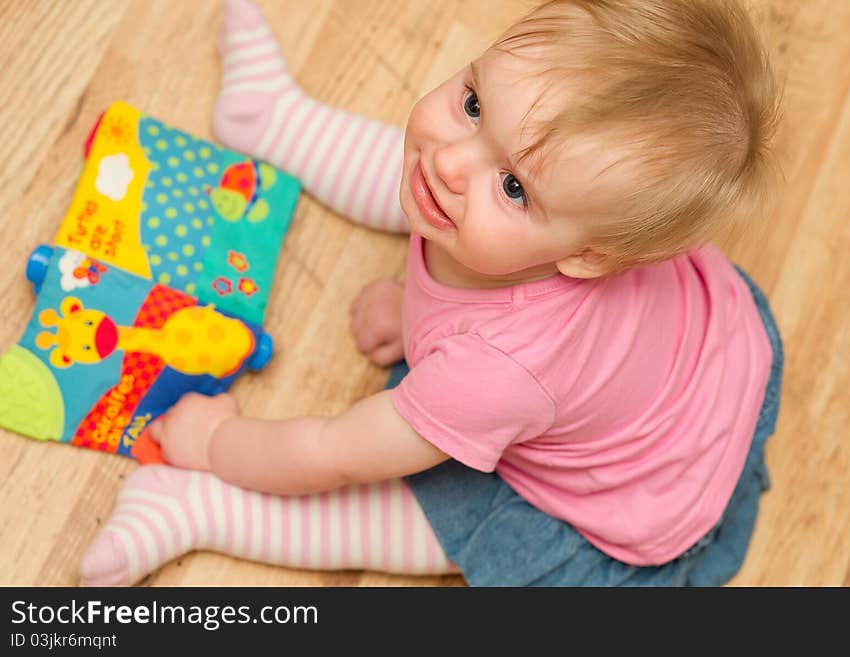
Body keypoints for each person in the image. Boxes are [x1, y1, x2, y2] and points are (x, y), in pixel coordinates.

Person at [80, 0, 784, 586]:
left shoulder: (494, 374)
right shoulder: (521, 209)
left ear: (589, 256)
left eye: (514, 187)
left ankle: (199, 511)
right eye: (474, 101)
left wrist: (219, 442)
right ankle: (273, 119)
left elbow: (334, 451)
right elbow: (469, 165)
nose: (450, 159)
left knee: (433, 519)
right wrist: (425, 309)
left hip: (635, 497)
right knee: (441, 192)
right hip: (704, 353)